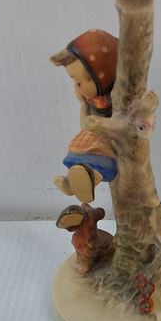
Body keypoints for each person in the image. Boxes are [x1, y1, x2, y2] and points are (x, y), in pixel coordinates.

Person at [50, 29, 118, 202]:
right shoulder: (94, 101)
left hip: (107, 142)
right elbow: (85, 126)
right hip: (94, 136)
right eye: (74, 80)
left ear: (102, 76)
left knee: (98, 165)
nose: (77, 86)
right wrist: (83, 104)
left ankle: (90, 182)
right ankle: (72, 183)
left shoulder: (116, 100)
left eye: (81, 80)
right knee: (79, 157)